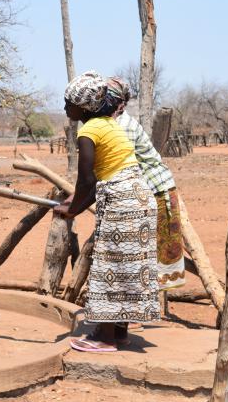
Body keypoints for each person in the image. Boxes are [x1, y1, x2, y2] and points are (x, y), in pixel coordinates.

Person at [54, 71, 159, 352]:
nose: (65, 108)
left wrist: (71, 211)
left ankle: (105, 337)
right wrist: (74, 205)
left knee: (111, 265)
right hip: (138, 196)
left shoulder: (88, 131)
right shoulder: (108, 124)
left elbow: (87, 180)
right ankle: (120, 332)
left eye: (69, 103)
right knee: (126, 266)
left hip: (123, 200)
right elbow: (96, 181)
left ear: (83, 106)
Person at [105, 77, 185, 291]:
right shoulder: (113, 124)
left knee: (141, 255)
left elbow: (119, 167)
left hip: (156, 192)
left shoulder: (122, 126)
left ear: (118, 104)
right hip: (144, 191)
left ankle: (135, 317)